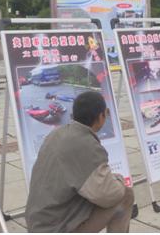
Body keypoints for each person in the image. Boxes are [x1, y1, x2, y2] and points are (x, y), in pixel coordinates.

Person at [26, 91, 133, 233]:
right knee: (125, 195)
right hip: (58, 228)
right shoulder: (87, 145)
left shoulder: (56, 134)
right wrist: (119, 179)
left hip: (38, 223)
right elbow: (110, 195)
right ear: (101, 117)